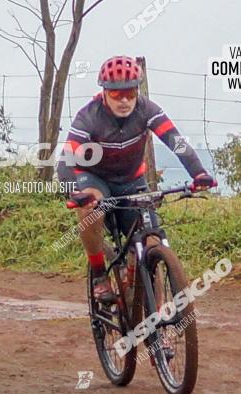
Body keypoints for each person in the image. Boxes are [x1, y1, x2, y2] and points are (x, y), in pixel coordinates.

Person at [58, 55, 216, 304]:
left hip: (132, 179)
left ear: (137, 90)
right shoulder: (89, 116)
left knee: (151, 239)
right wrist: (74, 192)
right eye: (116, 94)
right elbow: (66, 157)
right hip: (95, 177)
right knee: (92, 210)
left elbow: (175, 141)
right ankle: (99, 272)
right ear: (104, 93)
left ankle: (140, 284)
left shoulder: (148, 110)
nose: (124, 100)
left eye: (130, 93)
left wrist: (198, 173)